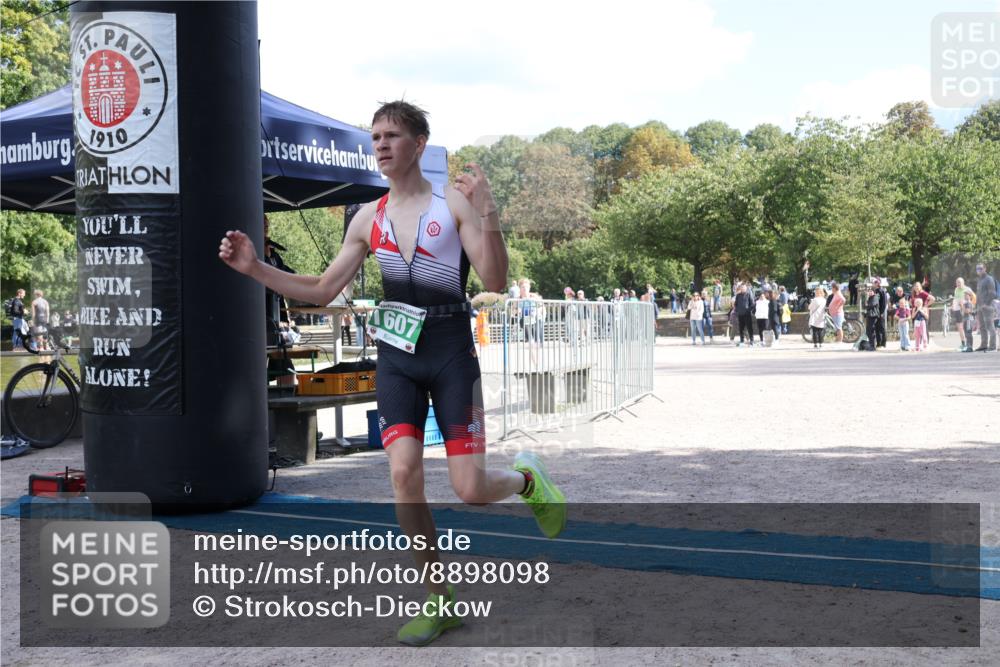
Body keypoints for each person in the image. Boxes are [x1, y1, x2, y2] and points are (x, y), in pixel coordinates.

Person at [219, 101, 565, 646]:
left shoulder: (451, 204)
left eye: (392, 136)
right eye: (375, 136)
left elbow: (494, 277)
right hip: (399, 359)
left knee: (470, 489)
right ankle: (439, 599)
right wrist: (254, 268)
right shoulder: (367, 217)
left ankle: (526, 480)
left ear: (420, 143)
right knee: (403, 474)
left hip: (451, 352)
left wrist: (489, 214)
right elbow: (321, 290)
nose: (381, 145)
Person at [974, 263, 998, 351]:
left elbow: (992, 293)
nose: (978, 270)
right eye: (977, 269)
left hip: (988, 307)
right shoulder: (979, 280)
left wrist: (986, 304)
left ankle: (992, 346)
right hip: (980, 307)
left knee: (990, 326)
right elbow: (979, 294)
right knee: (982, 327)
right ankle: (984, 345)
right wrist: (977, 306)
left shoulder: (989, 279)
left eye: (980, 268)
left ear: (985, 269)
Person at [952, 278, 969, 351]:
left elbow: (969, 300)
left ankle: (968, 344)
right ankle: (963, 343)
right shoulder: (956, 289)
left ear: (963, 282)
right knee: (959, 327)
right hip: (957, 309)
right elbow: (956, 298)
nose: (958, 284)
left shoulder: (967, 289)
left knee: (965, 327)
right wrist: (953, 305)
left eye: (959, 282)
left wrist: (963, 305)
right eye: (957, 282)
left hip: (964, 309)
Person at [872, 279, 888, 348]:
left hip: (880, 312)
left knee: (882, 328)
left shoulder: (882, 291)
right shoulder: (875, 291)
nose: (874, 284)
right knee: (876, 328)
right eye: (874, 283)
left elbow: (884, 303)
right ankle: (878, 343)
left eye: (875, 283)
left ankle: (883, 343)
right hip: (876, 312)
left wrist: (881, 312)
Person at [961, 289, 976, 353]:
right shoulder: (967, 303)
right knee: (967, 333)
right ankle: (968, 346)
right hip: (966, 319)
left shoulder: (967, 303)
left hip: (968, 320)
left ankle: (970, 347)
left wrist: (962, 306)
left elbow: (967, 311)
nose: (965, 296)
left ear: (970, 296)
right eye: (964, 295)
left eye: (966, 295)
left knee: (968, 333)